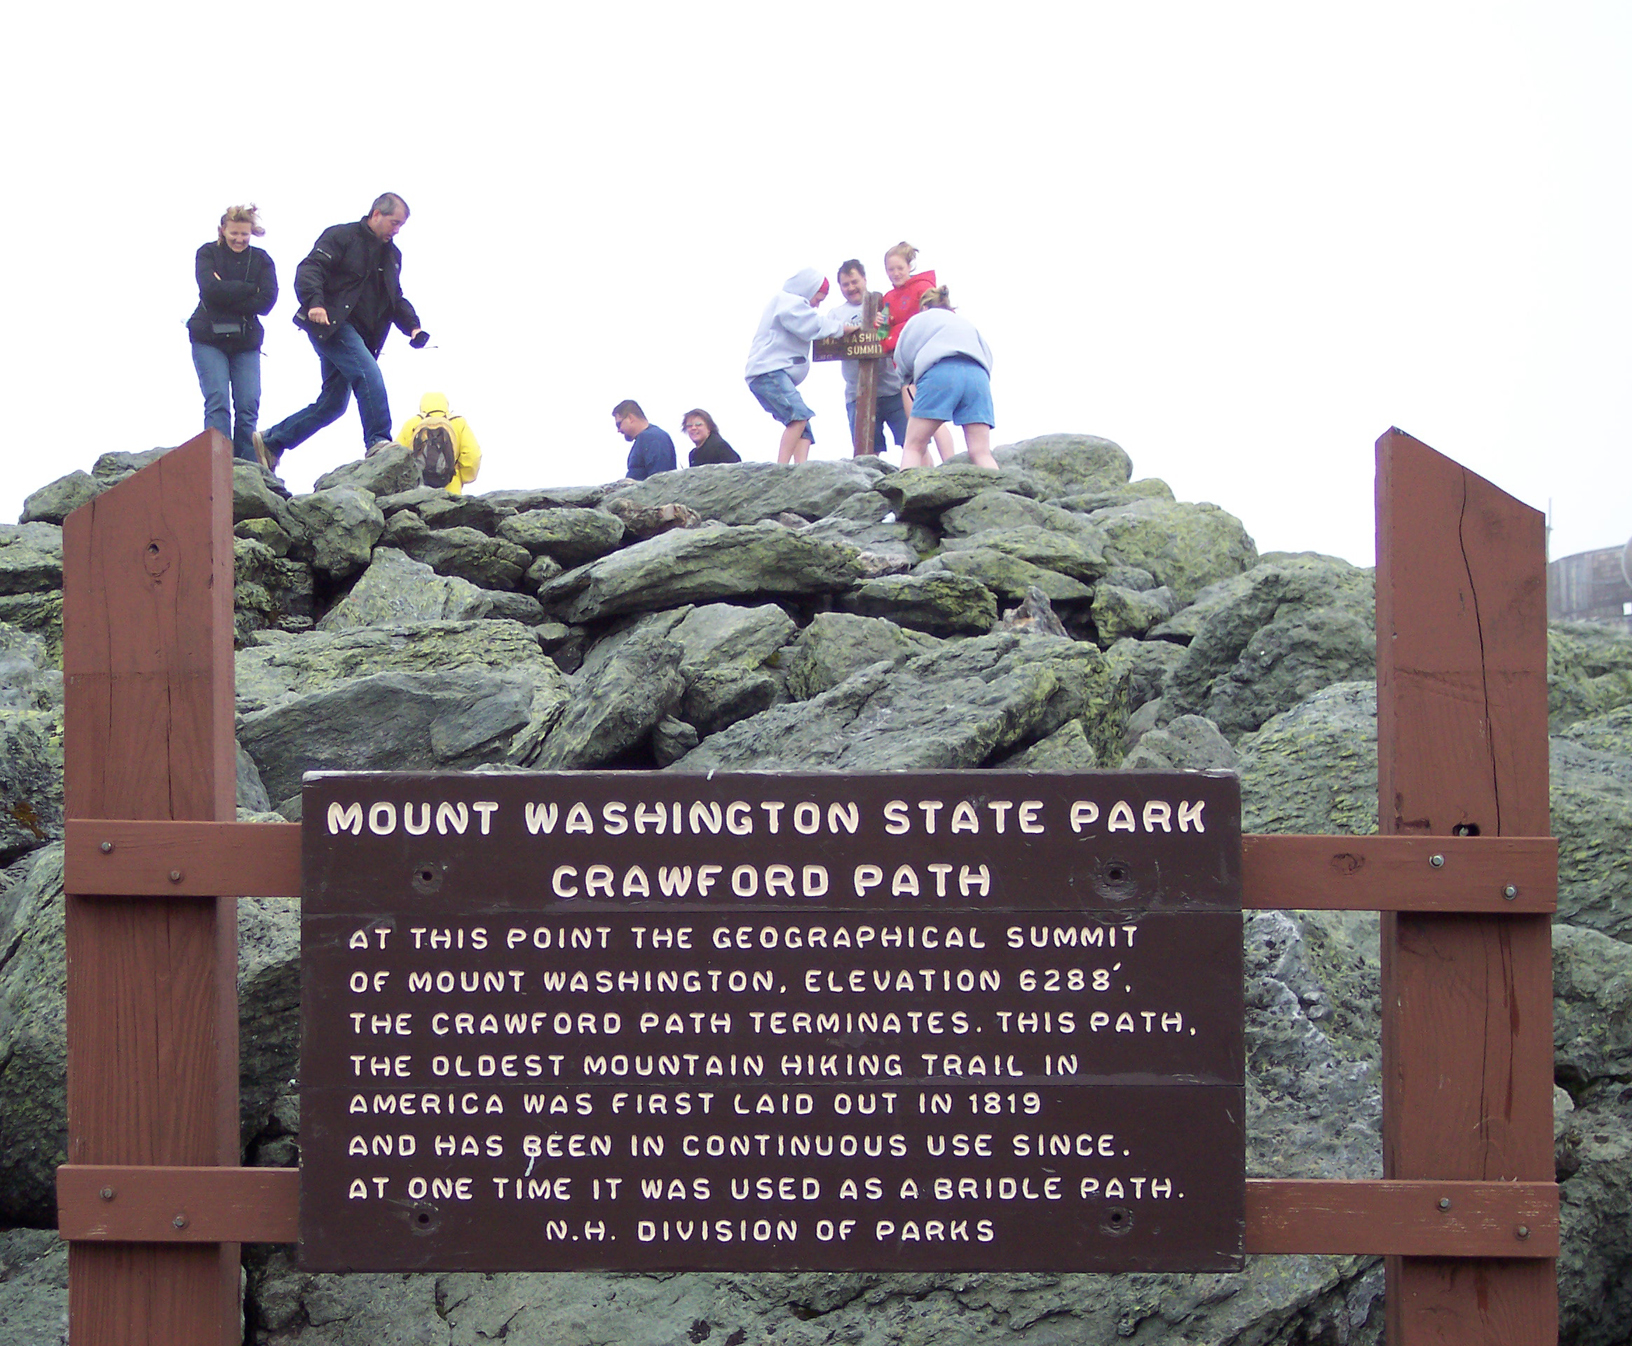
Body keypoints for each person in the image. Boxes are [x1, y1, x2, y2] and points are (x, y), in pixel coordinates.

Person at [253, 192, 427, 473]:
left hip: (363, 335)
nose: (396, 230)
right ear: (376, 214)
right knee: (367, 373)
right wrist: (315, 303)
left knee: (333, 404)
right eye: (394, 223)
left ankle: (271, 442)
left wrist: (413, 327)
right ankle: (378, 441)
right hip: (332, 325)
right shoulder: (341, 236)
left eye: (401, 226)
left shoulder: (392, 255)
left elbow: (394, 297)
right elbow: (310, 268)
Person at [186, 204, 278, 462]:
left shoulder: (261, 260)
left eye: (244, 234)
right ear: (222, 230)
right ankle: (217, 463)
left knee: (248, 405)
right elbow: (209, 291)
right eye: (234, 233)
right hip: (208, 339)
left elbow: (267, 302)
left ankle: (248, 466)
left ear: (252, 233)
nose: (239, 239)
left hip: (246, 342)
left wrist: (225, 291)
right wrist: (249, 289)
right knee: (217, 401)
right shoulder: (207, 253)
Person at [743, 269, 857, 464]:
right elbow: (811, 325)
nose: (816, 305)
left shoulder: (789, 303)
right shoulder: (789, 303)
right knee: (798, 416)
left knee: (803, 428)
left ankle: (800, 468)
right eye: (818, 299)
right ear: (809, 289)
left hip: (769, 373)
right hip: (768, 371)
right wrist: (843, 328)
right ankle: (782, 468)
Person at [893, 286, 999, 470]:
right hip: (978, 376)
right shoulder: (964, 322)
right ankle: (1000, 487)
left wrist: (907, 377)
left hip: (940, 372)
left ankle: (904, 487)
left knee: (914, 446)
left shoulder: (921, 319)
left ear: (924, 307)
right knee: (981, 451)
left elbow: (902, 355)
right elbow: (987, 354)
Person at [879, 242, 953, 462]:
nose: (895, 273)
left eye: (900, 268)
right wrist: (880, 324)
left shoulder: (923, 288)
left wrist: (894, 334)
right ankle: (925, 469)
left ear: (909, 266)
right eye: (890, 269)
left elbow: (931, 317)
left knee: (932, 417)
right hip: (903, 367)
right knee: (914, 420)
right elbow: (883, 332)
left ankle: (950, 462)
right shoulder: (888, 298)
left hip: (925, 363)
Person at [830, 259, 906, 455]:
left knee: (913, 443)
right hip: (857, 393)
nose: (851, 288)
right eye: (845, 284)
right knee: (866, 453)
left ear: (864, 279)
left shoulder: (883, 304)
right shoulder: (835, 315)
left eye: (854, 282)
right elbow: (823, 338)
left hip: (894, 390)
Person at [394, 392, 482, 494]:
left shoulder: (412, 423)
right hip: (450, 490)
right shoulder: (458, 422)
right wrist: (463, 476)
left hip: (418, 491)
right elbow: (472, 455)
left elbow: (396, 455)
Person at [613, 400, 677, 480]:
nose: (618, 430)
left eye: (619, 424)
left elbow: (660, 480)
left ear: (630, 418)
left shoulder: (652, 437)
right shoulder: (644, 439)